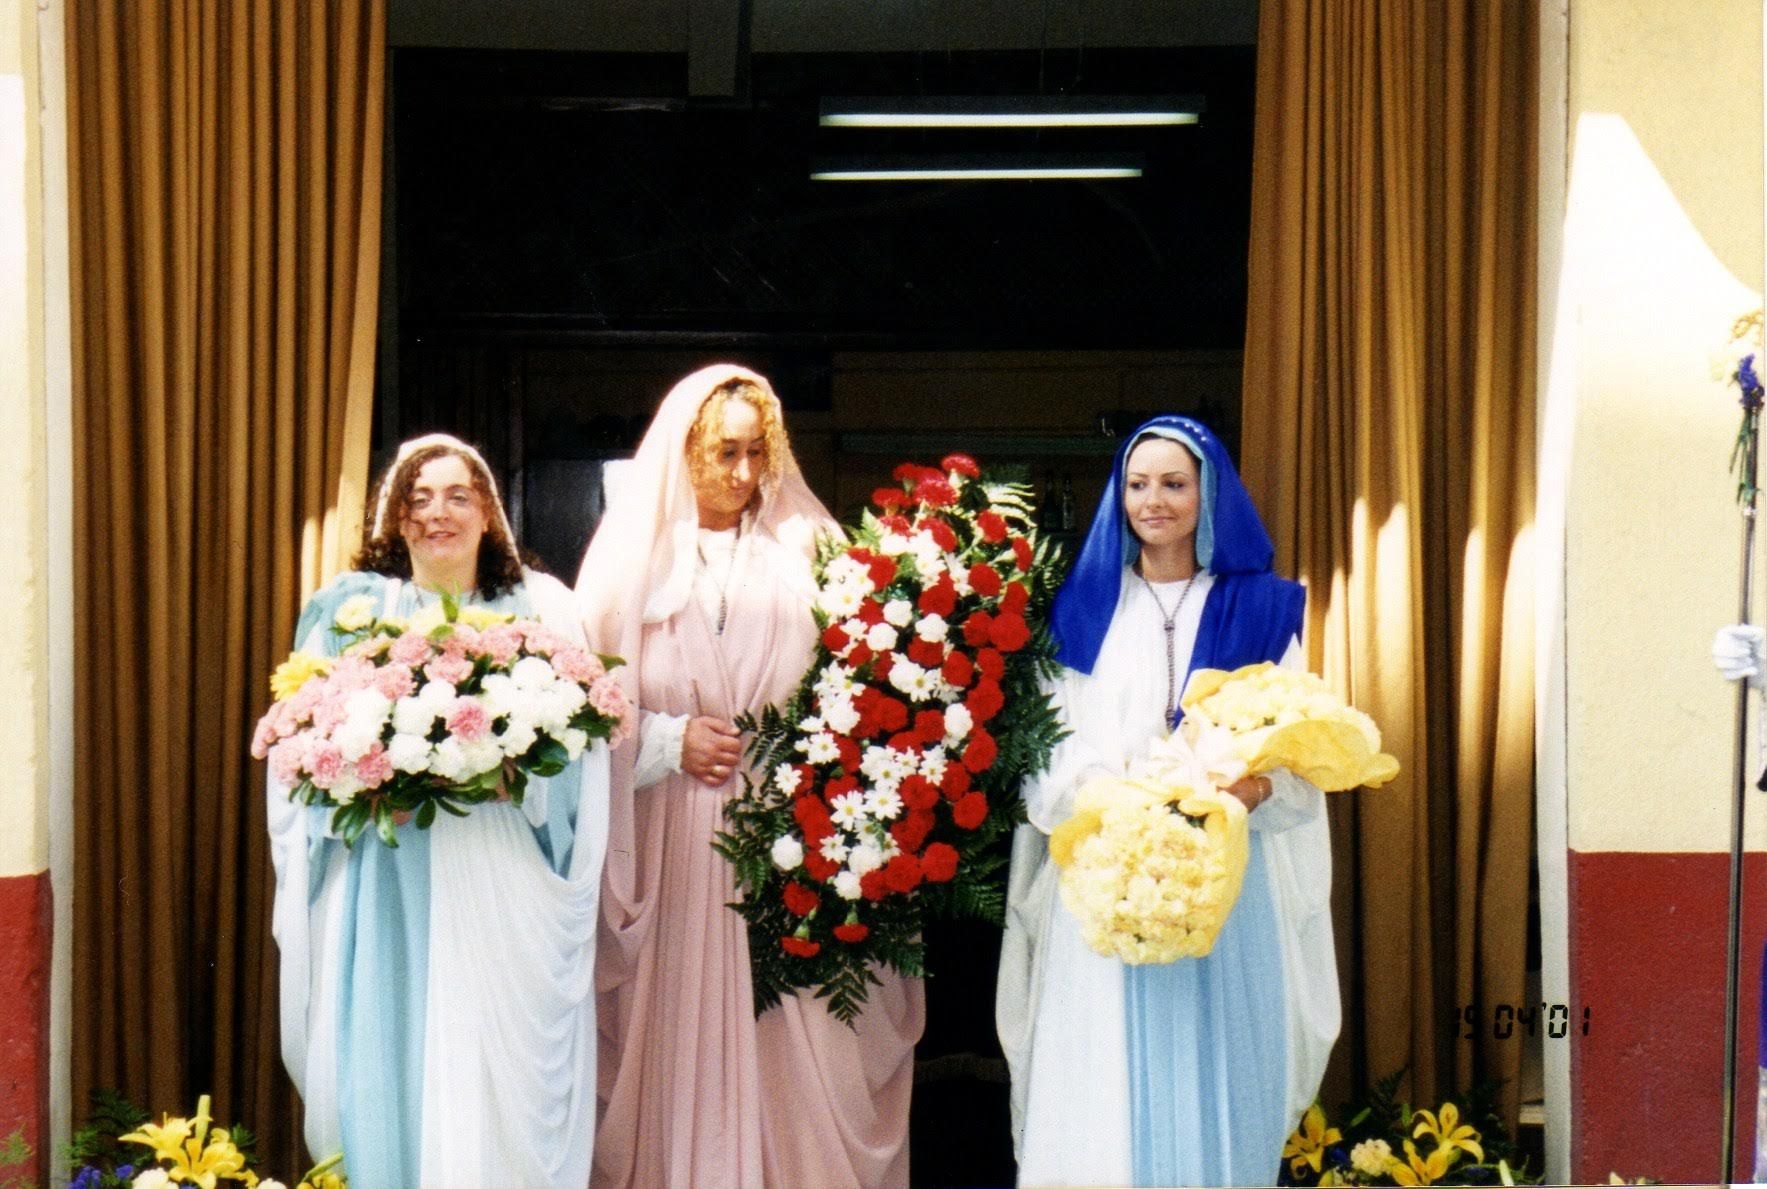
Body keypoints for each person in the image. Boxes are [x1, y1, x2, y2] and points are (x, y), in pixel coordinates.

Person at [577, 364, 925, 1188]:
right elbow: (581, 707)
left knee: (800, 1038)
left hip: (788, 843)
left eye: (755, 452)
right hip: (670, 844)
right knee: (678, 1030)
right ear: (683, 452)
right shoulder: (629, 563)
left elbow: (864, 691)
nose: (741, 473)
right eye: (723, 452)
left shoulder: (807, 552)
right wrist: (665, 740)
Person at [996, 415, 1340, 1188]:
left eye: (1174, 484)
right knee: (1102, 1085)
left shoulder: (1261, 610)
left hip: (1225, 888)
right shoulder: (1079, 610)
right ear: (1118, 496)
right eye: (1138, 483)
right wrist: (1124, 803)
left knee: (1220, 1070)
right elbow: (1048, 752)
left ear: (1207, 493)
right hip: (1107, 880)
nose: (1154, 500)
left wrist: (1253, 785)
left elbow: (1298, 748)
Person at [266, 434, 608, 1189]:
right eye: (417, 499)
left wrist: (513, 774)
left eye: (457, 496)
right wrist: (366, 775)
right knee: (391, 1045)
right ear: (394, 518)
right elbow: (301, 750)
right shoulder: (349, 611)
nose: (436, 514)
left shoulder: (539, 610)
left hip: (500, 866)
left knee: (492, 1056)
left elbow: (582, 757)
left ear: (489, 512)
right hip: (386, 874)